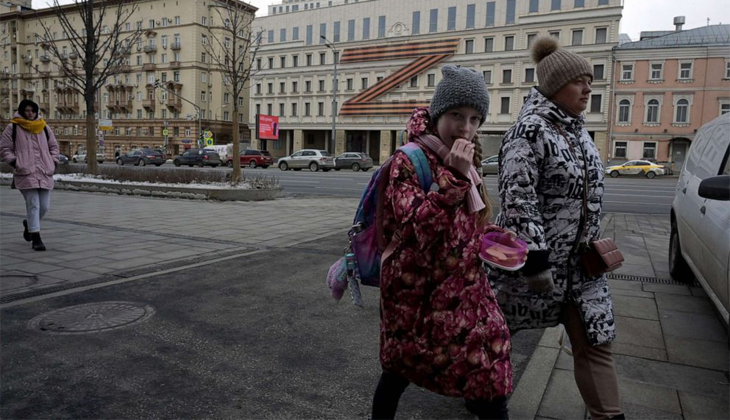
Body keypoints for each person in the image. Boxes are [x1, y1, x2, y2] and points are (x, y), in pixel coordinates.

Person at [372, 65, 522, 420]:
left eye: (474, 118)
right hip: (417, 293)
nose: (466, 127)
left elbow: (466, 223)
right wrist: (453, 178)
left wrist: (494, 237)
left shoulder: (468, 159)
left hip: (466, 291)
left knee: (491, 372)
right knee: (398, 369)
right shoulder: (408, 161)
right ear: (439, 113)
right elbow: (416, 229)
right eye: (457, 115)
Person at [491, 37, 625, 420]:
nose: (588, 87)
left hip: (582, 270)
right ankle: (484, 394)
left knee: (596, 342)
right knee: (498, 335)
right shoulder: (528, 131)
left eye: (589, 79)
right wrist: (536, 260)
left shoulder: (580, 132)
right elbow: (518, 198)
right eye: (579, 80)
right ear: (554, 86)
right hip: (533, 267)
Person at [0, 99, 60, 251]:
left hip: (44, 171)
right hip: (25, 172)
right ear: (21, 111)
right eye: (27, 110)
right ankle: (36, 237)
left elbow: (54, 146)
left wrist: (53, 161)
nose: (30, 113)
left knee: (44, 207)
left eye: (32, 111)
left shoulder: (44, 126)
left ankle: (29, 224)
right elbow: (4, 148)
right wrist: (16, 162)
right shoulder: (13, 127)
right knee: (33, 204)